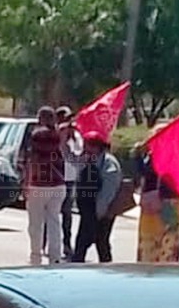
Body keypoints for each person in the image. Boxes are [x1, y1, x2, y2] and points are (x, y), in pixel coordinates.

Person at [136, 128, 179, 263]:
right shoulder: (153, 154)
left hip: (166, 201)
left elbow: (162, 176)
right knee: (152, 239)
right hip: (157, 201)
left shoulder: (169, 155)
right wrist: (139, 156)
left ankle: (160, 264)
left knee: (165, 239)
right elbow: (144, 174)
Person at [24, 106, 65, 265]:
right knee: (54, 221)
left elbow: (32, 160)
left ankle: (36, 257)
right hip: (58, 183)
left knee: (36, 224)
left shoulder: (37, 135)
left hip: (40, 183)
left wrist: (26, 182)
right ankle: (55, 257)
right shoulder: (58, 136)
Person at [72, 131, 121, 263]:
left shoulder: (108, 163)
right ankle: (75, 269)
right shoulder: (87, 160)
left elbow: (109, 189)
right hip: (87, 209)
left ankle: (107, 271)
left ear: (98, 147)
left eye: (89, 146)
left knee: (101, 243)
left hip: (100, 211)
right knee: (81, 243)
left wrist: (100, 210)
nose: (86, 149)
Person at [57, 106, 83, 259]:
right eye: (65, 119)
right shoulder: (56, 133)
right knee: (52, 212)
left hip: (70, 178)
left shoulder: (75, 138)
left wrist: (73, 136)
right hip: (56, 177)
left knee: (67, 213)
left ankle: (67, 244)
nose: (68, 122)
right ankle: (46, 242)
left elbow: (79, 154)